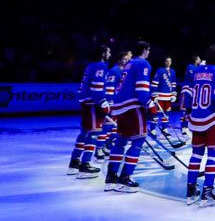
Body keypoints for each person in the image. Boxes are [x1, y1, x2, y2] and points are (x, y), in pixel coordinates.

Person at [181, 45, 215, 207]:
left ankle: (190, 191)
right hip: (212, 119)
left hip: (196, 118)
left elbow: (187, 93)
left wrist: (188, 111)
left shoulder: (196, 71)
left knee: (196, 155)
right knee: (213, 155)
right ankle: (207, 191)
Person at [106, 42, 155, 193]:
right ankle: (125, 178)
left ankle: (111, 177)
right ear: (145, 50)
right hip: (132, 106)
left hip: (120, 106)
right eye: (148, 50)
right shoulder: (143, 63)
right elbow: (141, 89)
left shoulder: (129, 64)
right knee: (138, 140)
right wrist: (149, 104)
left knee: (121, 140)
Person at [69, 45, 111, 177]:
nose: (110, 54)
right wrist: (103, 103)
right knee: (94, 132)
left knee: (84, 132)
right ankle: (85, 165)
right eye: (108, 52)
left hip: (85, 102)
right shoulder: (101, 66)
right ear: (103, 53)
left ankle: (74, 163)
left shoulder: (91, 65)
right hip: (92, 104)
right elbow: (97, 88)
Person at [152, 57, 178, 136]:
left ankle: (164, 128)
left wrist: (173, 94)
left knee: (166, 113)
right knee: (156, 113)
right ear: (164, 62)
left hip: (168, 96)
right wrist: (154, 95)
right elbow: (155, 83)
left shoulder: (173, 71)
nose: (168, 62)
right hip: (160, 96)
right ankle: (153, 129)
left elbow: (173, 83)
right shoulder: (160, 71)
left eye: (170, 61)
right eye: (167, 61)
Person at [180, 56, 201, 137]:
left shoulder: (197, 67)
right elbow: (193, 77)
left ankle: (187, 126)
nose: (200, 60)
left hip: (193, 91)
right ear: (195, 60)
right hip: (187, 90)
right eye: (198, 58)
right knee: (185, 109)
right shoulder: (190, 66)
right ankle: (183, 127)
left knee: (190, 110)